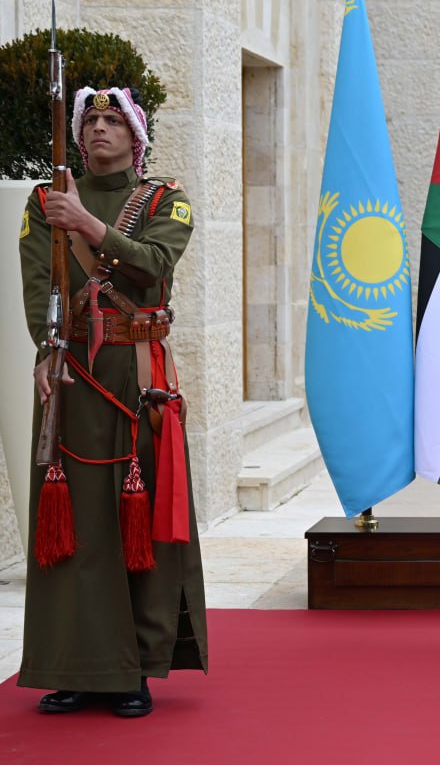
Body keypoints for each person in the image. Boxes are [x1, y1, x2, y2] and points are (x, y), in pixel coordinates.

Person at [17, 86, 207, 716]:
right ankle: (76, 663)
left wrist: (91, 227)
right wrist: (45, 352)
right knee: (73, 520)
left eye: (113, 120)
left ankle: (136, 667)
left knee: (137, 515)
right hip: (71, 371)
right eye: (90, 120)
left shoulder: (165, 200)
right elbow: (38, 282)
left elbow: (152, 266)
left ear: (135, 136)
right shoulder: (45, 201)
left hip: (136, 371)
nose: (100, 128)